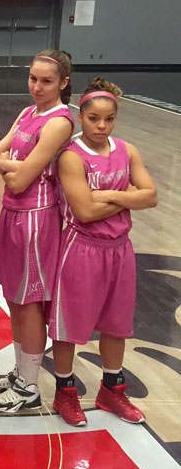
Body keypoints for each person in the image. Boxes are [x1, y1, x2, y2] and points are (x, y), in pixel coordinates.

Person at [49, 78, 157, 427]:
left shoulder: (128, 150)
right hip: (81, 248)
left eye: (108, 119)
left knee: (116, 325)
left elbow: (151, 196)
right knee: (70, 326)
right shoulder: (70, 155)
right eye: (94, 118)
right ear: (80, 117)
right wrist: (127, 195)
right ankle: (65, 392)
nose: (101, 125)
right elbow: (84, 211)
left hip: (120, 250)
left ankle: (111, 389)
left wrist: (109, 196)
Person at [0, 51, 75, 413]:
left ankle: (30, 387)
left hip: (38, 218)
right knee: (13, 299)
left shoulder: (58, 122)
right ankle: (22, 371)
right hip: (11, 214)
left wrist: (9, 167)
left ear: (64, 83)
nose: (37, 87)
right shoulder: (27, 114)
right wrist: (11, 166)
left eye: (47, 81)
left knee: (30, 304)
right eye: (33, 79)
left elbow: (20, 180)